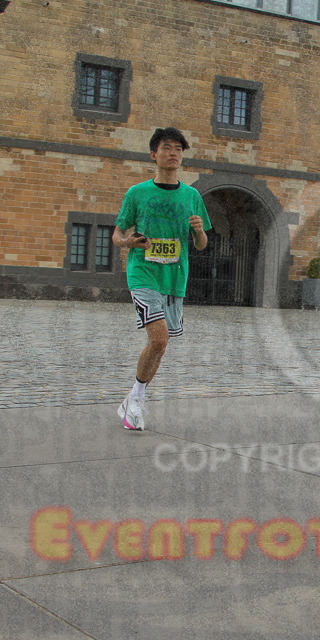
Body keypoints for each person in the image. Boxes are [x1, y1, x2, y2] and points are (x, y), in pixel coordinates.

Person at [111, 127, 211, 430]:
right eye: (167, 148)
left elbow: (202, 244)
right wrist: (130, 243)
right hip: (143, 273)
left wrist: (198, 231)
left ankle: (133, 397)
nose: (174, 153)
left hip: (174, 277)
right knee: (159, 338)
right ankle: (137, 402)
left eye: (179, 149)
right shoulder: (137, 193)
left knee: (160, 345)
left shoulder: (192, 196)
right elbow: (117, 234)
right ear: (154, 154)